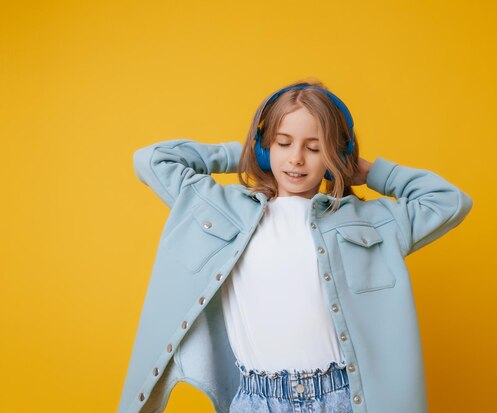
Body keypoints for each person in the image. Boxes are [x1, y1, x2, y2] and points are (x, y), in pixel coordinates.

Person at [117, 79, 473, 413]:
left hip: (341, 397)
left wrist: (368, 171)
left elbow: (449, 201)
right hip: (258, 399)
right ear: (264, 145)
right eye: (283, 143)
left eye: (315, 147)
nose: (297, 158)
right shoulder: (225, 210)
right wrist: (244, 154)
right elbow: (152, 160)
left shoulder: (367, 221)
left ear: (336, 154)